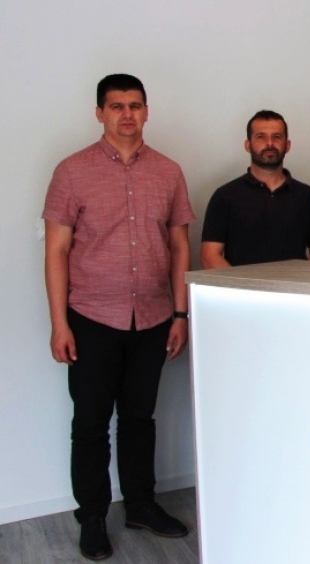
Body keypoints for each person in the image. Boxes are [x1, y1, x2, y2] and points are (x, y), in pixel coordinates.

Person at [42, 74, 193, 560]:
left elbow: (179, 246)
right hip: (91, 318)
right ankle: (91, 517)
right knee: (90, 423)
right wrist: (59, 324)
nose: (127, 114)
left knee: (139, 419)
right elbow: (56, 249)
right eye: (116, 106)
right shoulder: (72, 171)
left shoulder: (169, 172)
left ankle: (141, 505)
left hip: (152, 317)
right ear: (99, 113)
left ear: (147, 111)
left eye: (135, 105)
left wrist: (180, 313)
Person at [200, 110, 310, 268]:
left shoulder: (307, 196)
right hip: (239, 284)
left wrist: (300, 282)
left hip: (295, 284)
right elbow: (209, 256)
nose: (269, 143)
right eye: (261, 137)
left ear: (288, 145)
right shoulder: (224, 196)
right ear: (247, 145)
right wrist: (241, 284)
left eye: (277, 137)